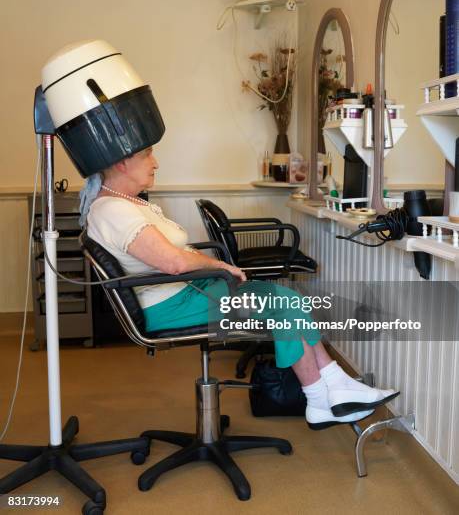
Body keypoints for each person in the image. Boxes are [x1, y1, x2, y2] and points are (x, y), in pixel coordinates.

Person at [82, 146, 398, 430]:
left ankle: (332, 386)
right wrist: (220, 266)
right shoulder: (113, 210)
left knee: (289, 299)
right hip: (171, 303)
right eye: (147, 154)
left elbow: (177, 254)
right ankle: (319, 397)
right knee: (285, 304)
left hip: (183, 291)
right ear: (123, 163)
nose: (156, 162)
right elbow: (173, 263)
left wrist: (210, 266)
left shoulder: (126, 203)